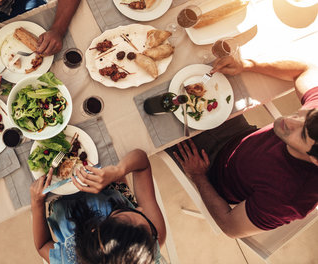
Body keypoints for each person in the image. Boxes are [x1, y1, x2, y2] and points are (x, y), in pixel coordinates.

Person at [170, 55, 318, 238]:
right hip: (239, 132)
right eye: (304, 112)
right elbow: (306, 69)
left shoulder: (289, 198)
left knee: (149, 114)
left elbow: (230, 226)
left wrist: (198, 176)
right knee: (182, 71)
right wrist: (247, 64)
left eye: (301, 134)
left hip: (208, 168)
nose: (289, 120)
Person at [30, 149, 166, 263]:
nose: (140, 208)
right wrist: (119, 171)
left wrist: (37, 204)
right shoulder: (150, 238)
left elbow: (42, 245)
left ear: (94, 229)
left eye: (120, 212)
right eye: (144, 217)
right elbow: (142, 163)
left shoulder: (69, 259)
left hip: (61, 201)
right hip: (110, 186)